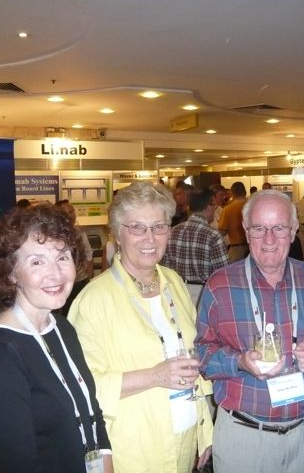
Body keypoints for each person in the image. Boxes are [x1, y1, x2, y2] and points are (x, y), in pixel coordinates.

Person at [68, 182, 212, 473]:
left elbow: (192, 356)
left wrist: (203, 429)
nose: (150, 238)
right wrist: (155, 375)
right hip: (132, 452)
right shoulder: (93, 300)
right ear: (117, 234)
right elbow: (79, 388)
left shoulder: (174, 282)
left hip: (184, 441)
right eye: (137, 227)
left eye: (159, 227)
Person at [196, 189, 304, 473]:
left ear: (294, 230)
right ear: (246, 231)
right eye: (259, 228)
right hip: (243, 437)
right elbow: (201, 355)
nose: (269, 239)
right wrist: (239, 361)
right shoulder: (220, 285)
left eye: (279, 228)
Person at [0, 203, 112, 473]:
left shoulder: (62, 328)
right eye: (36, 262)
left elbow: (91, 409)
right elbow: (17, 463)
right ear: (11, 273)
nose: (56, 274)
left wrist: (105, 463)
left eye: (62, 257)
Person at [162, 187, 229, 305]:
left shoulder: (173, 231)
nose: (215, 209)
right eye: (214, 206)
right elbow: (224, 273)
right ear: (208, 207)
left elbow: (165, 267)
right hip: (205, 293)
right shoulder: (213, 235)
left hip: (177, 290)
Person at [219, 181, 248, 262]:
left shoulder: (228, 209)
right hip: (253, 247)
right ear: (245, 192)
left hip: (236, 249)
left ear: (232, 193)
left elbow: (222, 232)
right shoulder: (253, 206)